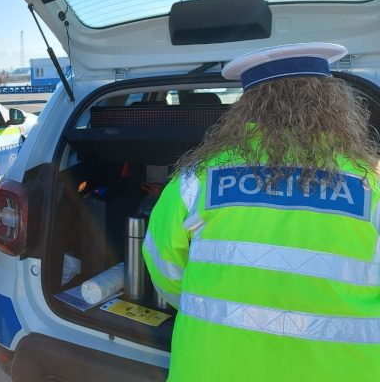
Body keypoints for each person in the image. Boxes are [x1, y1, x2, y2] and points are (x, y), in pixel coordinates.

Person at [143, 43, 380, 381]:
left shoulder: (196, 179)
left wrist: (208, 304)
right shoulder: (372, 183)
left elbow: (163, 264)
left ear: (246, 108)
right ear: (334, 104)